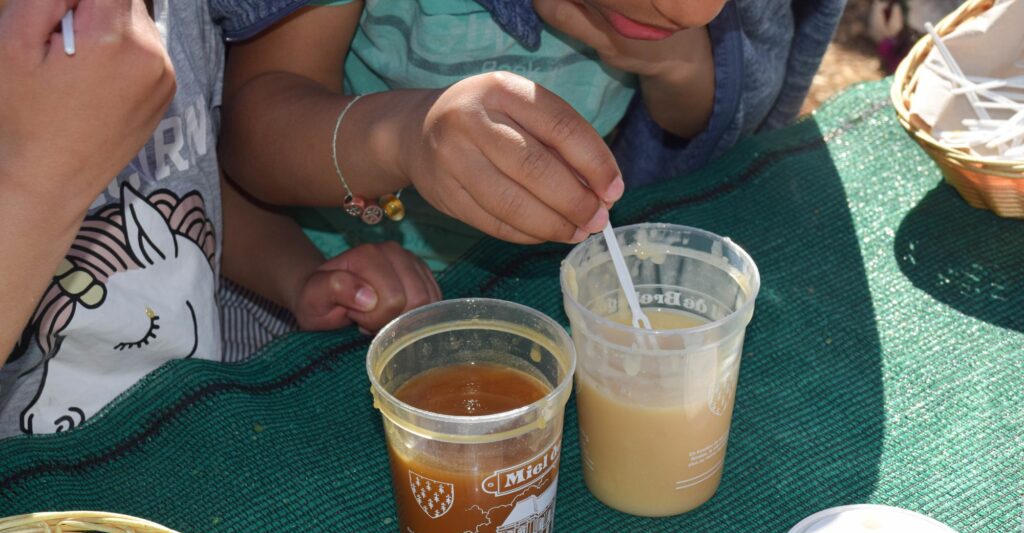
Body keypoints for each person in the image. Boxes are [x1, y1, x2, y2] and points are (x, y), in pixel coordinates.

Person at [0, 0, 439, 437]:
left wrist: (300, 278)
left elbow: (203, 186)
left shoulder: (183, 16)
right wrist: (39, 182)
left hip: (198, 423)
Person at [218, 0, 845, 273]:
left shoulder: (676, 18)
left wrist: (677, 64)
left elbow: (690, 122)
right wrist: (402, 137)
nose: (692, 14)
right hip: (323, 283)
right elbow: (248, 132)